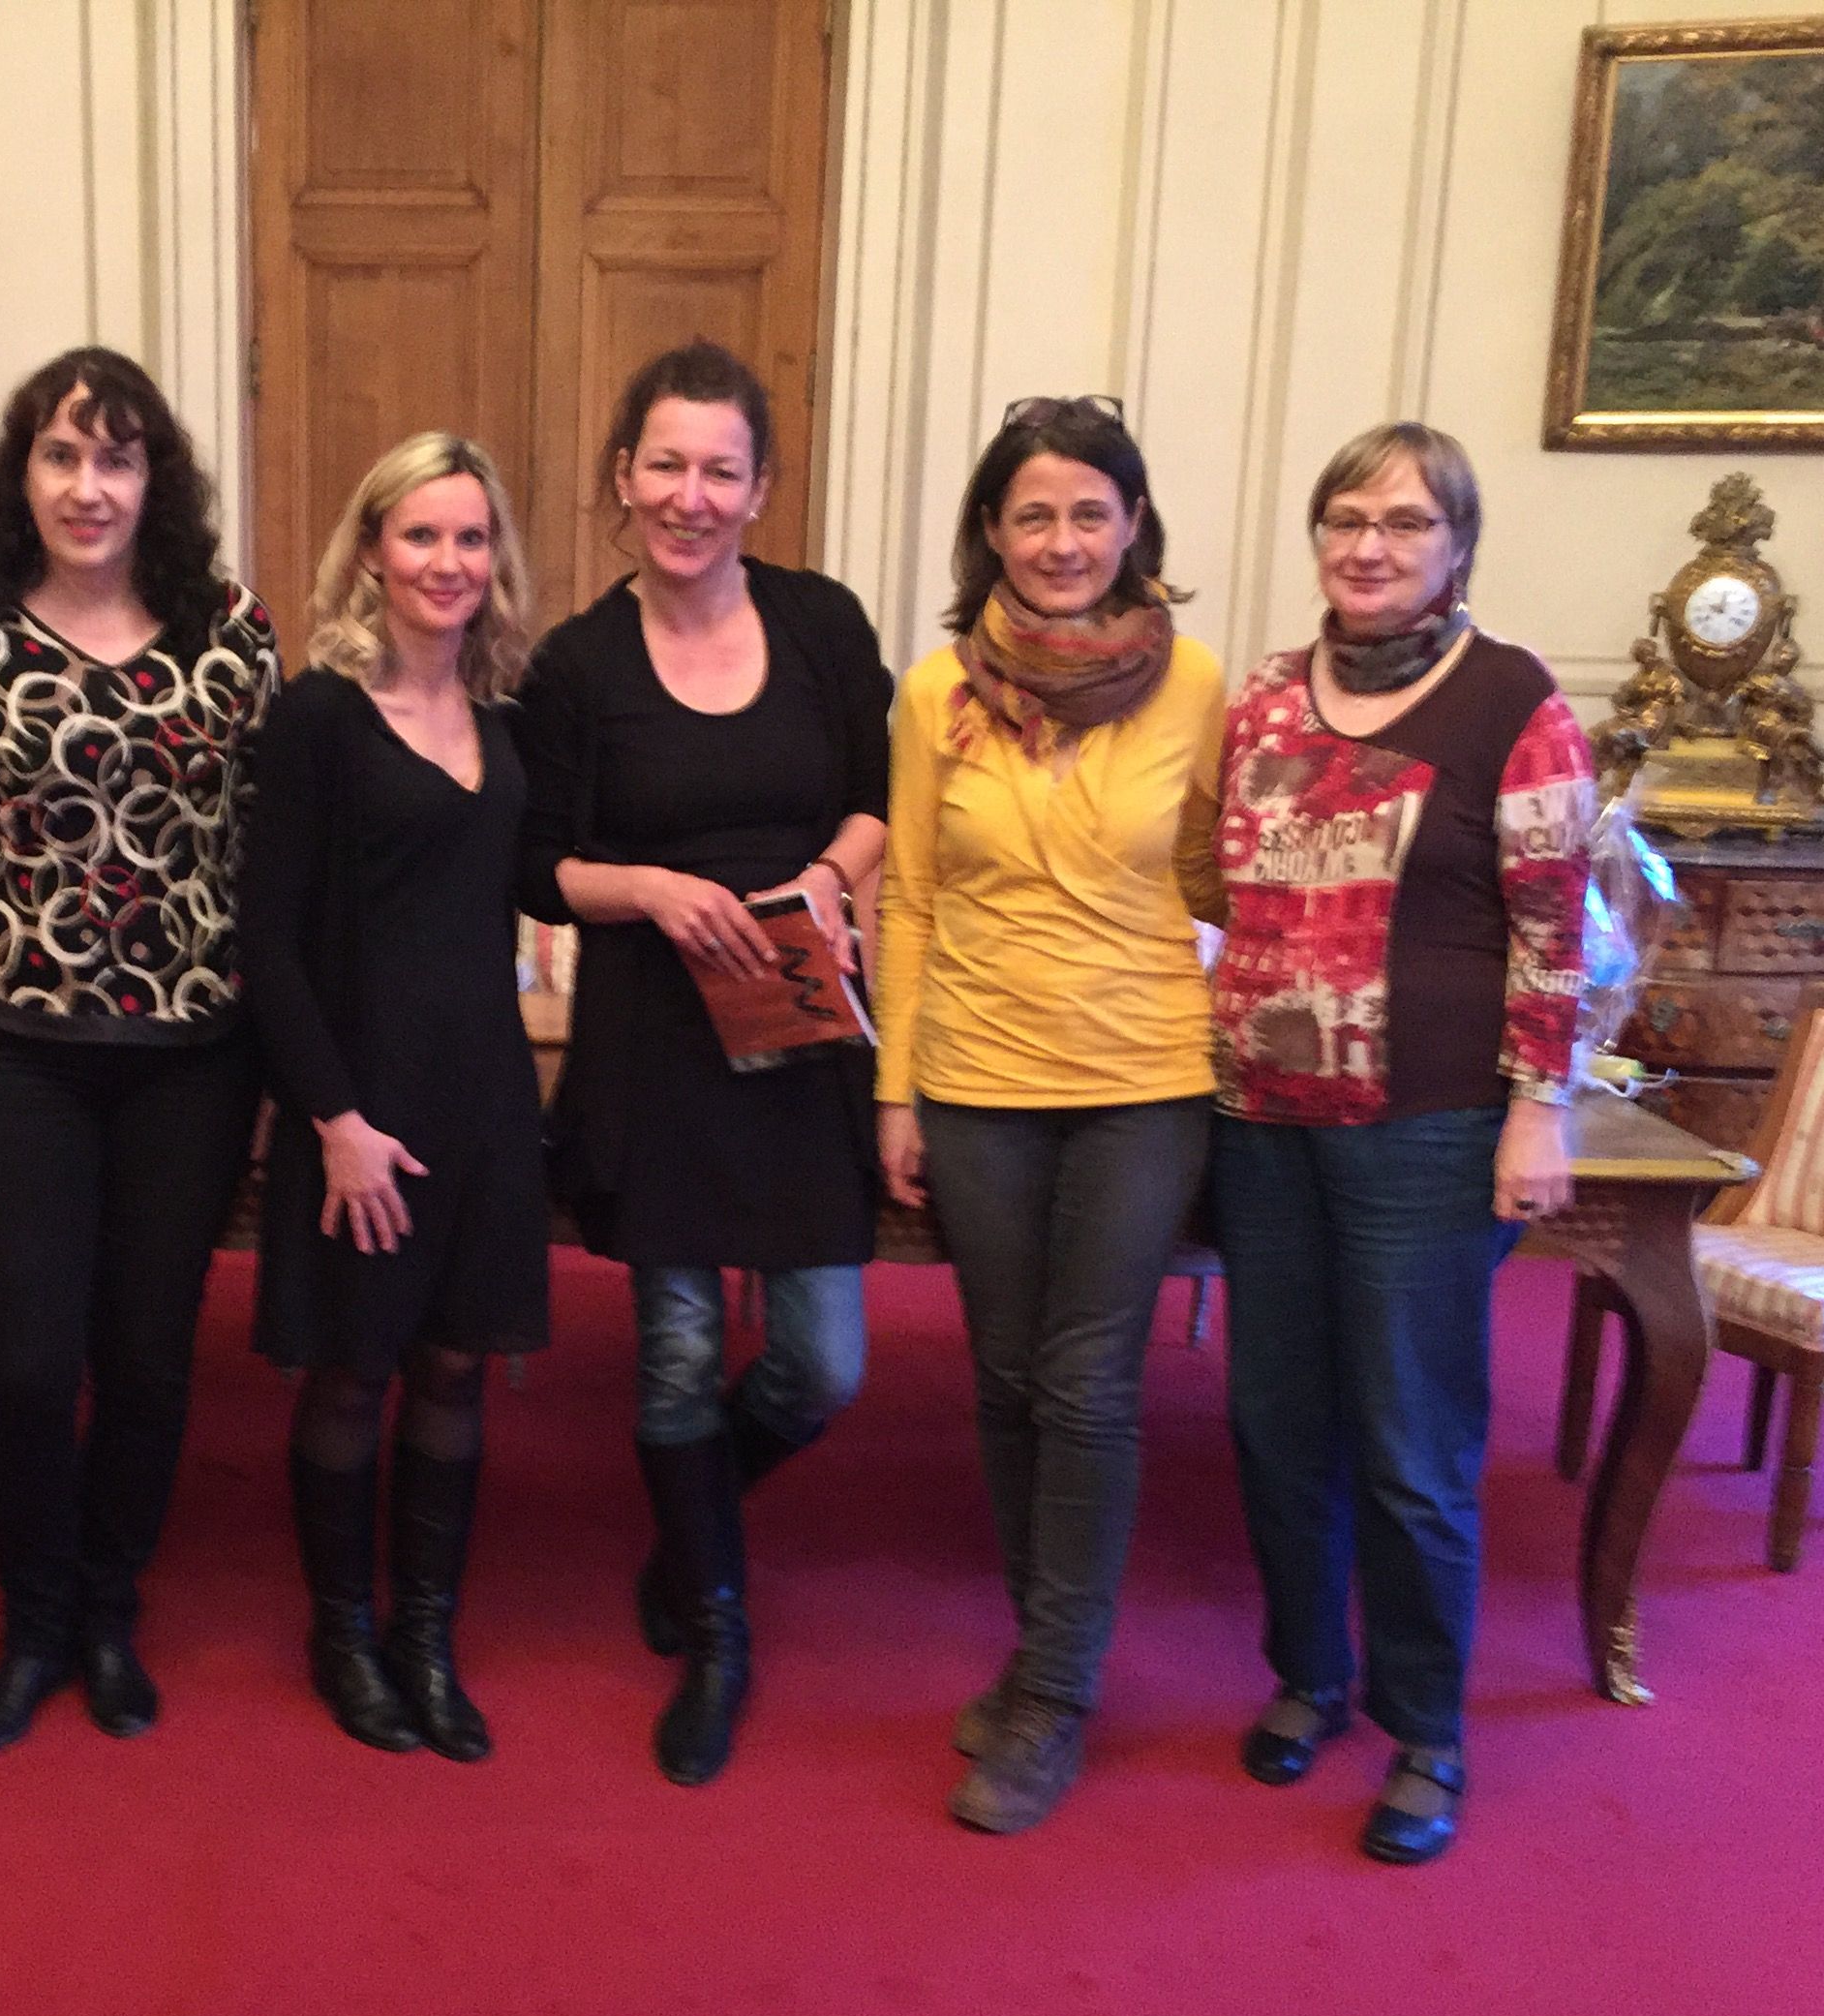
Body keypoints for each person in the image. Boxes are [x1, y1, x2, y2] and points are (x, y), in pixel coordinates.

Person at [0, 347, 280, 1753]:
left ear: (154, 478)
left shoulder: (233, 637)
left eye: (117, 458)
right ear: (22, 476)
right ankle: (32, 1618)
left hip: (194, 1058)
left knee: (153, 1359)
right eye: (61, 455)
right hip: (14, 1057)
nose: (89, 486)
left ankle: (110, 1609)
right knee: (29, 1365)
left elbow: (272, 867)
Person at [1205, 420, 1593, 1866]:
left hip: (1425, 1133)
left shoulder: (1514, 702)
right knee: (1273, 1428)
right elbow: (1222, 884)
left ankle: (1426, 1728)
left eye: (1407, 523)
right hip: (1260, 1125)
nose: (1370, 545)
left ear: (1458, 547)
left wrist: (1539, 1107)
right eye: (1347, 517)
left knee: (1412, 1446)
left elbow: (1557, 928)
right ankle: (1311, 1678)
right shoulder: (1259, 703)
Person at [515, 339, 891, 1787]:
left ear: (761, 486)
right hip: (654, 1038)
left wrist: (823, 878)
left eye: (720, 469)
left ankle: (693, 1522)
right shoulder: (579, 662)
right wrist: (657, 891)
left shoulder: (821, 624)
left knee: (822, 1363)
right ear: (623, 477)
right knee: (675, 1352)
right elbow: (543, 869)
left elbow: (875, 799)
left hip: (799, 1028)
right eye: (663, 464)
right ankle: (718, 1626)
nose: (690, 495)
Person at [872, 397, 1226, 1837]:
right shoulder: (933, 693)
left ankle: (1055, 1692)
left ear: (1133, 523)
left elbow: (1227, 874)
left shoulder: (1201, 683)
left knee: (1085, 1384)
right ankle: (1043, 1659)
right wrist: (895, 1086)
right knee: (1007, 1381)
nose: (1063, 540)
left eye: (1090, 511)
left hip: (1145, 1074)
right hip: (977, 1079)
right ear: (993, 534)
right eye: (1034, 514)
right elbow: (910, 894)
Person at [243, 433, 549, 1759]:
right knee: (357, 1372)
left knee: (456, 1363)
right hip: (360, 1109)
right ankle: (342, 1634)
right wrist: (336, 1124)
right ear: (372, 548)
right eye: (420, 536)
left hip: (485, 1094)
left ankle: (424, 1629)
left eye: (470, 539)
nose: (447, 563)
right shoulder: (318, 713)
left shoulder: (506, 720)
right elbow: (267, 943)